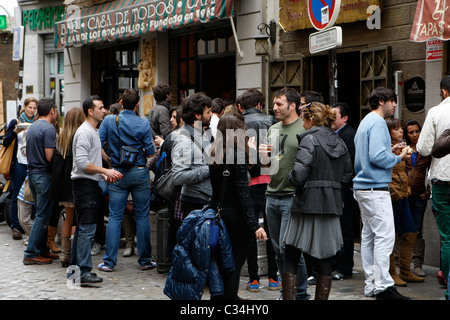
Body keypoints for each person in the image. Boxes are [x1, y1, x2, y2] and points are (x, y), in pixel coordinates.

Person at [282, 102, 352, 300]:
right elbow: (347, 174)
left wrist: (291, 178)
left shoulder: (309, 139)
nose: (303, 123)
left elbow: (298, 175)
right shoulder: (339, 141)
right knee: (324, 258)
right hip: (331, 205)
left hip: (306, 204)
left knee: (291, 254)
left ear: (311, 119)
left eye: (304, 118)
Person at [353, 87, 411, 300]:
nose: (395, 105)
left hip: (363, 187)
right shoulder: (377, 122)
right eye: (392, 101)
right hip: (374, 188)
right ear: (381, 101)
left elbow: (369, 156)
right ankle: (383, 287)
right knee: (384, 238)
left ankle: (372, 284)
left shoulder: (365, 121)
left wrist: (390, 152)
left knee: (369, 238)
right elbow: (377, 158)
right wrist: (399, 157)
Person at [208, 113, 267, 300]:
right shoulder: (238, 155)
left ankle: (222, 296)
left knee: (222, 261)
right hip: (237, 217)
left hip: (220, 212)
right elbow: (242, 194)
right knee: (234, 263)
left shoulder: (215, 152)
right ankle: (230, 298)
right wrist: (254, 225)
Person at [258, 87, 310, 300]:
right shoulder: (273, 128)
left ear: (293, 106)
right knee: (278, 249)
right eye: (274, 103)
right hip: (272, 194)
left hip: (292, 196)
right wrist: (263, 156)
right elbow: (268, 165)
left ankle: (301, 294)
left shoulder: (304, 127)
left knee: (291, 249)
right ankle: (286, 291)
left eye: (279, 104)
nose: (275, 107)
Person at [98, 89, 156, 272]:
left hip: (117, 173)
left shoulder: (109, 120)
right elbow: (151, 152)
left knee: (115, 216)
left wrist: (108, 162)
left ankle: (109, 262)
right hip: (139, 172)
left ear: (121, 102)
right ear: (137, 105)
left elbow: (97, 143)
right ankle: (145, 260)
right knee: (142, 216)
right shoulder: (143, 123)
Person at [70, 96, 123, 285]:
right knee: (87, 229)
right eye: (100, 108)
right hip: (84, 185)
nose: (104, 110)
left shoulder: (92, 131)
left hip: (88, 183)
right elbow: (82, 163)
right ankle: (83, 272)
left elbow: (89, 161)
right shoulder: (85, 132)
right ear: (90, 111)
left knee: (83, 229)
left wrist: (103, 174)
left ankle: (75, 273)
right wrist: (105, 171)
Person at [238, 88, 279, 292]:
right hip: (270, 179)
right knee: (272, 231)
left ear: (240, 106)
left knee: (251, 229)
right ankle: (273, 277)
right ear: (261, 105)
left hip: (249, 181)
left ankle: (253, 278)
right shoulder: (272, 121)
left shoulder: (238, 123)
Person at [417, 75, 450, 300]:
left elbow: (424, 147)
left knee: (448, 237)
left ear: (444, 92)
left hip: (444, 181)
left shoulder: (437, 112)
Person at [386, 117, 424, 286]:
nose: (401, 131)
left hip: (404, 196)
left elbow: (407, 170)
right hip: (392, 197)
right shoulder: (384, 150)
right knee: (390, 236)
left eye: (401, 128)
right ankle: (391, 272)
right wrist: (394, 191)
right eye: (397, 129)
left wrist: (407, 188)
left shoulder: (402, 148)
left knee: (410, 231)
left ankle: (406, 271)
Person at [23, 98, 59, 265]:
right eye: (56, 110)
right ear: (52, 111)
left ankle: (42, 249)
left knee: (41, 213)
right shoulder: (49, 129)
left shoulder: (33, 127)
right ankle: (31, 253)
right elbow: (50, 156)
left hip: (33, 174)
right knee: (42, 216)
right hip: (43, 175)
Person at [50, 107, 86, 267]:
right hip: (78, 185)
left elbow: (56, 168)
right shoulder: (80, 139)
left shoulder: (61, 139)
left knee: (69, 218)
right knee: (77, 221)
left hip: (64, 188)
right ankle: (75, 255)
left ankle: (65, 255)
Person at [172, 92, 213, 218]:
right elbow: (178, 177)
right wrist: (209, 169)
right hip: (195, 202)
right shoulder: (184, 140)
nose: (211, 114)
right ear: (197, 115)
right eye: (208, 112)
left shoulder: (200, 132)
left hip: (203, 199)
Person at [330, 102, 358, 280]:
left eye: (334, 116)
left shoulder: (348, 135)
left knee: (345, 228)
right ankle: (336, 263)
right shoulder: (336, 134)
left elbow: (349, 164)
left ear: (345, 118)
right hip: (338, 187)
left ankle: (345, 267)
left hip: (344, 189)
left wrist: (342, 185)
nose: (330, 120)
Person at [3, 97, 37, 240]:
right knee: (16, 194)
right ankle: (15, 227)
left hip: (33, 164)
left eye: (35, 108)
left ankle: (30, 224)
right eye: (30, 107)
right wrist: (15, 132)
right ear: (24, 107)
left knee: (33, 195)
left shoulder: (37, 123)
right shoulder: (16, 122)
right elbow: (5, 141)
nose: (32, 110)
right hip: (19, 163)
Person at [404, 120, 431, 278]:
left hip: (420, 195)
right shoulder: (403, 150)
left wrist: (428, 191)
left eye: (417, 131)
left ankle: (418, 264)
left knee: (417, 229)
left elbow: (431, 171)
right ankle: (403, 264)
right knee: (403, 229)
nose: (414, 135)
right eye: (411, 132)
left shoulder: (425, 151)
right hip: (403, 195)